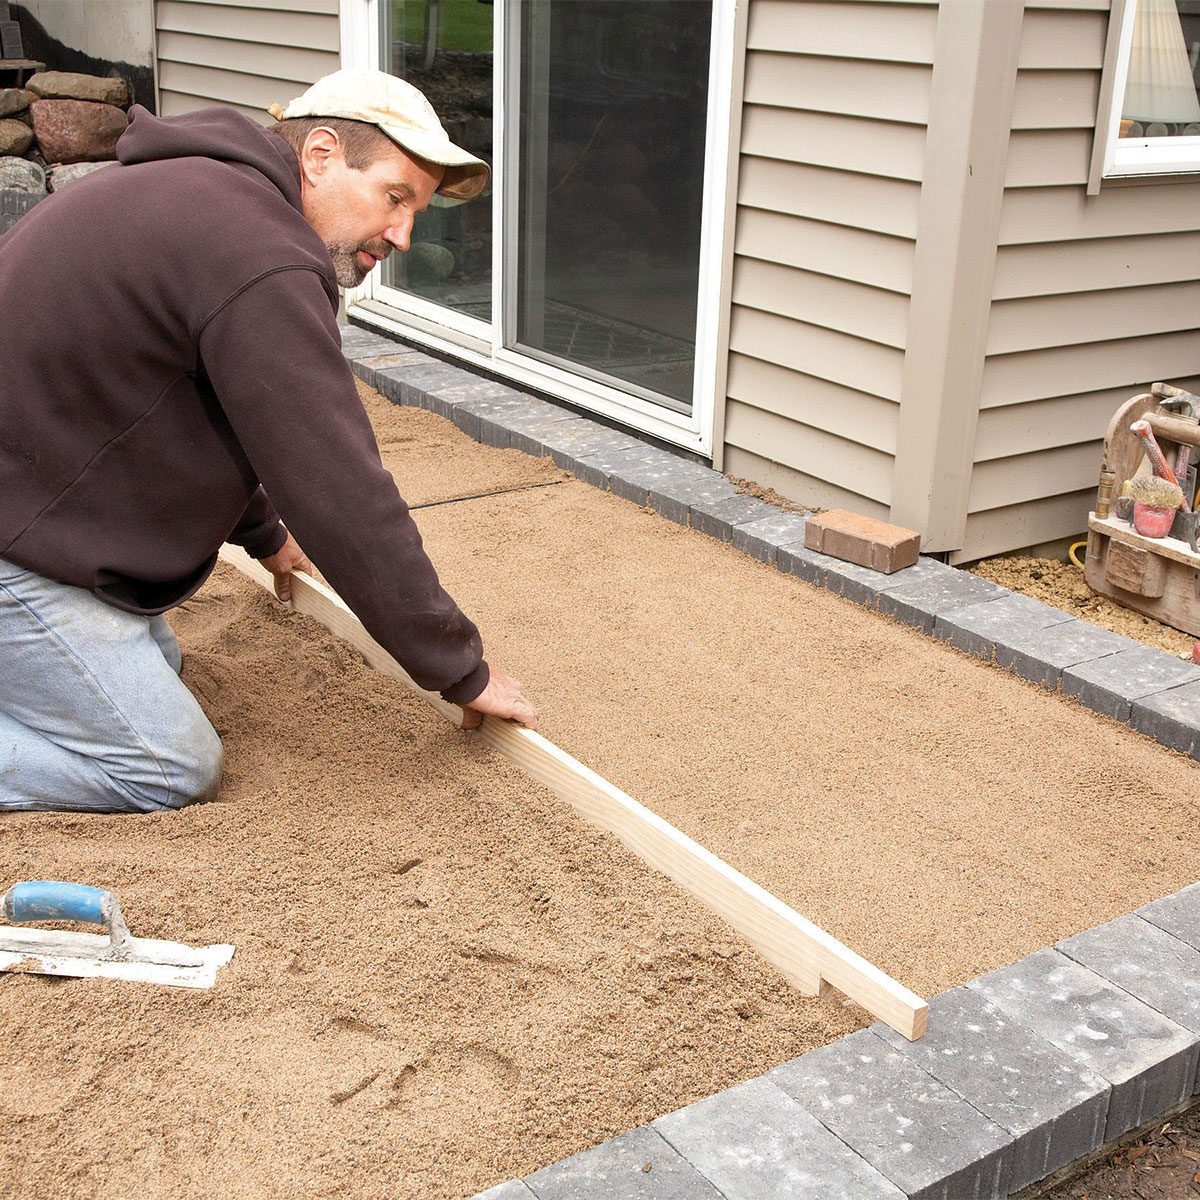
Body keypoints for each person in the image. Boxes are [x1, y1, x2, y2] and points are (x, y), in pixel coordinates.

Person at [0, 67, 538, 814]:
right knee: (167, 766)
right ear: (319, 154)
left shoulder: (204, 193)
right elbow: (339, 485)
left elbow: (197, 402)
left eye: (416, 211)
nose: (405, 235)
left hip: (32, 507)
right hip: (17, 549)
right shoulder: (261, 252)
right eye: (394, 197)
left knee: (161, 660)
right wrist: (459, 668)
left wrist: (263, 532)